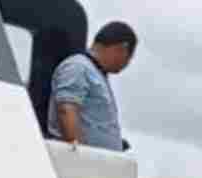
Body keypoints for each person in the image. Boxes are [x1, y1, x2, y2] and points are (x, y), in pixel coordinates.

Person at [46, 21, 138, 152]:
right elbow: (66, 109)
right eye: (129, 58)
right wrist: (81, 154)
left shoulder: (96, 73)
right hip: (80, 161)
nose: (127, 64)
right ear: (122, 48)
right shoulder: (79, 67)